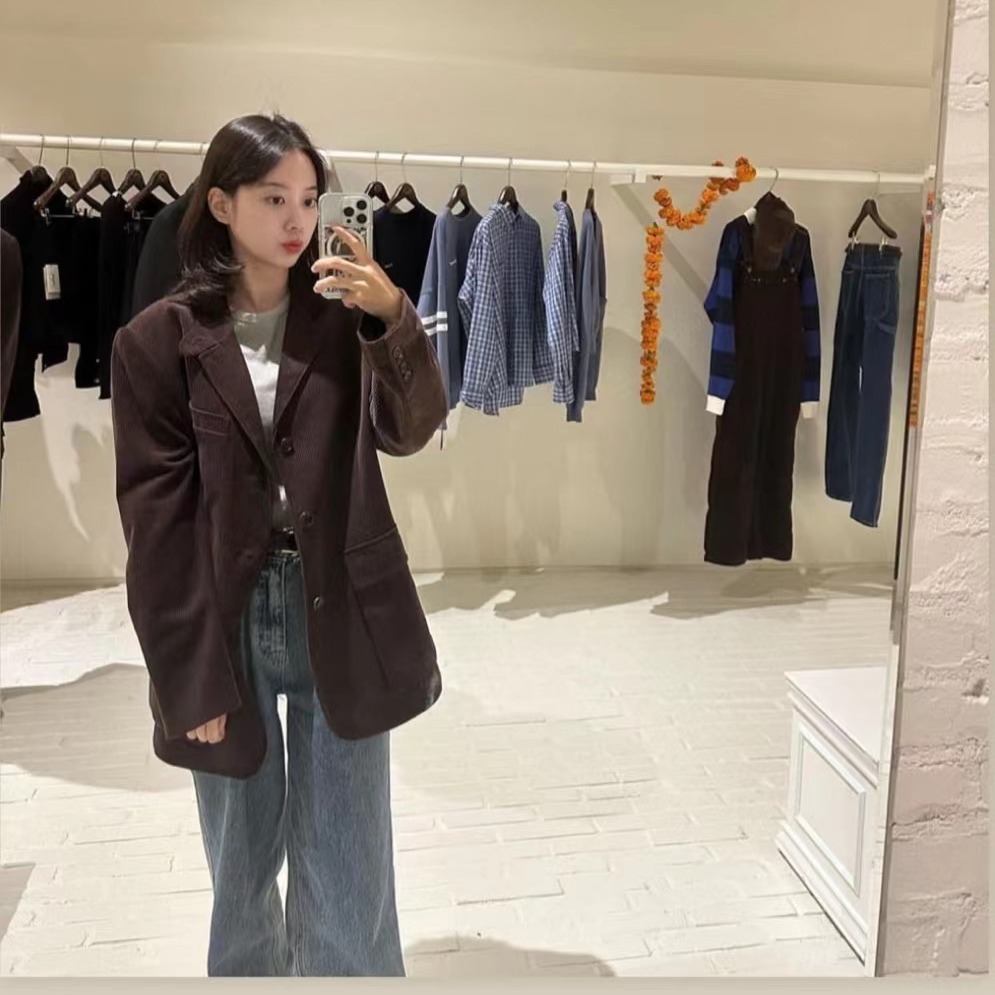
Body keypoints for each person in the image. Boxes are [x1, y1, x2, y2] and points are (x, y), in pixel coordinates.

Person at [109, 113, 448, 977]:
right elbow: (156, 526)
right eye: (272, 199)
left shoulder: (346, 322)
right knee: (240, 863)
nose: (297, 219)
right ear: (221, 204)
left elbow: (411, 430)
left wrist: (393, 316)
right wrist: (187, 675)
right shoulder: (155, 342)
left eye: (307, 198)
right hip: (224, 617)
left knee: (349, 857)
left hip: (338, 601)